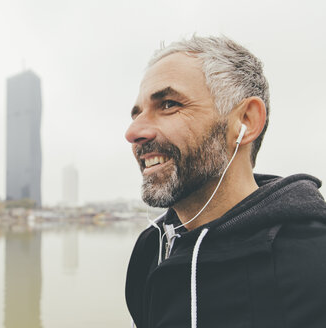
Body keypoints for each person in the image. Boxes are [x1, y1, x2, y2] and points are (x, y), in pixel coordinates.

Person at [124, 35, 326, 328]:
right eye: (137, 113)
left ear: (245, 121)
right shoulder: (149, 249)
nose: (134, 131)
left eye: (168, 104)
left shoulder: (314, 261)